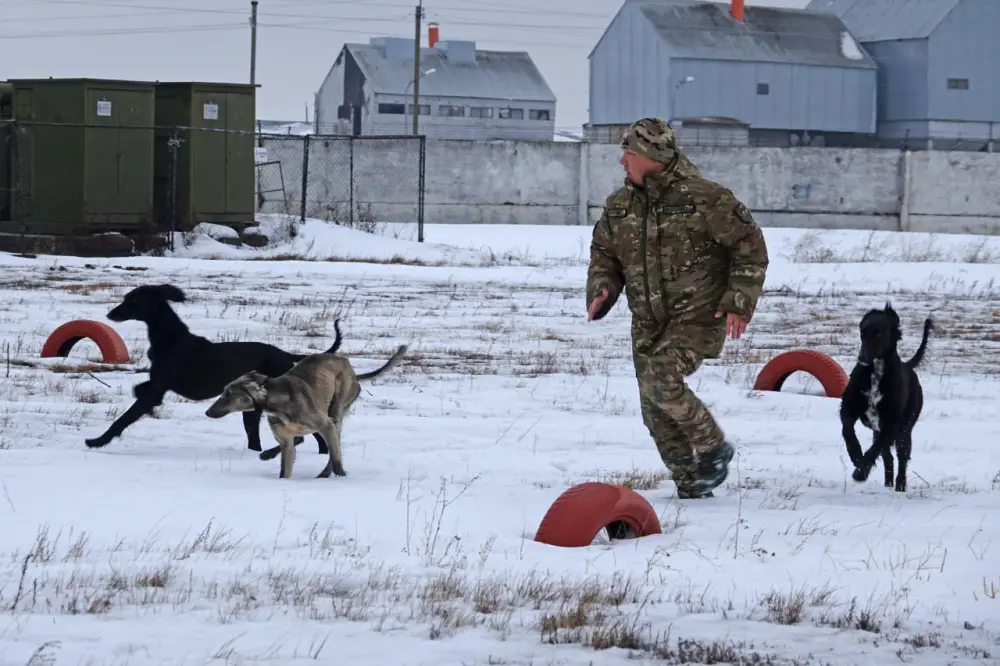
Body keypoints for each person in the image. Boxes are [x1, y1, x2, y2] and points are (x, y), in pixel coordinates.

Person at [586, 117, 769, 499]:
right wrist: (603, 289)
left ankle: (714, 447)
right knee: (653, 408)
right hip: (647, 320)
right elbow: (605, 253)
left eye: (629, 153)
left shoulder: (705, 198)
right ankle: (692, 486)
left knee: (660, 380)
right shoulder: (619, 206)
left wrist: (738, 300)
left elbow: (749, 247)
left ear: (651, 155)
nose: (622, 161)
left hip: (699, 315)